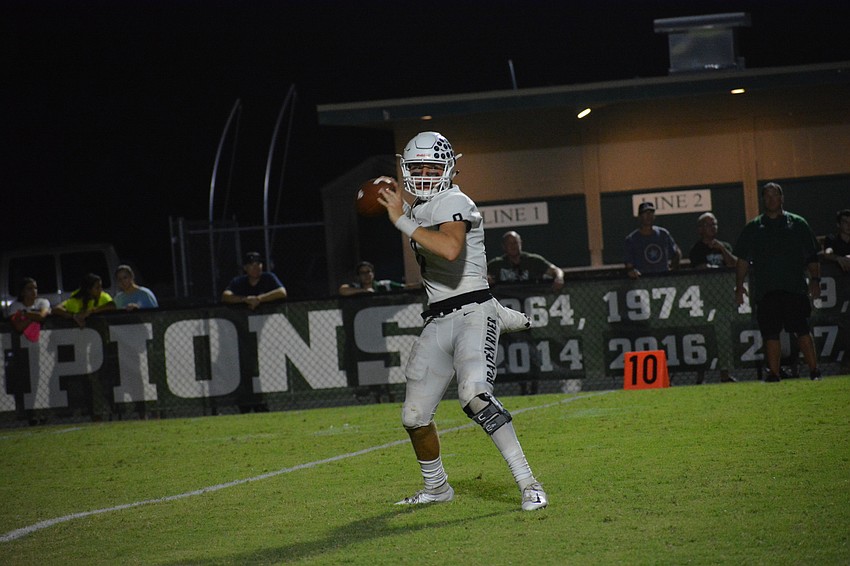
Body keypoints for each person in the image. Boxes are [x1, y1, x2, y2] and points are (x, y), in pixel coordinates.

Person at [375, 131, 547, 511]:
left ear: (449, 168)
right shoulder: (419, 208)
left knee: (474, 396)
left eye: (431, 166)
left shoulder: (454, 199)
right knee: (414, 416)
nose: (423, 173)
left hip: (472, 311)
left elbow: (451, 249)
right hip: (439, 317)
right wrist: (399, 211)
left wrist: (399, 219)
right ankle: (437, 489)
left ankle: (529, 483)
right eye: (416, 166)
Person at [734, 182, 822, 382]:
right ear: (763, 199)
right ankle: (773, 373)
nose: (771, 199)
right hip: (767, 290)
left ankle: (815, 370)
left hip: (795, 288)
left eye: (775, 195)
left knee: (801, 329)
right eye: (767, 196)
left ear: (782, 198)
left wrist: (815, 280)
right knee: (770, 333)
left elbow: (812, 256)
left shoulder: (798, 224)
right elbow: (742, 260)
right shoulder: (754, 227)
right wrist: (739, 287)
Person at [688, 213, 737, 383]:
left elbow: (734, 264)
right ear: (700, 229)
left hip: (725, 299)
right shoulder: (697, 249)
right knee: (705, 337)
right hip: (706, 300)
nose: (713, 228)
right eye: (708, 225)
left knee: (724, 337)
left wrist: (722, 250)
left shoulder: (726, 246)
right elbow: (700, 268)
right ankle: (700, 376)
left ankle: (725, 373)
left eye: (714, 224)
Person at [487, 230, 565, 292]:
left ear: (520, 243)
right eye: (509, 244)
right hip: (507, 303)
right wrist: (486, 278)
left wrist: (559, 278)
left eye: (515, 243)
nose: (513, 246)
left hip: (531, 299)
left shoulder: (533, 260)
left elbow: (556, 270)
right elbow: (481, 275)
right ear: (504, 246)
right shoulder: (496, 264)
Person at [624, 201, 681, 279]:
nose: (649, 215)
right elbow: (629, 265)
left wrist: (672, 269)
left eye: (651, 213)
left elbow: (676, 252)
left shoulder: (663, 234)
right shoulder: (632, 239)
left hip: (663, 279)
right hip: (643, 281)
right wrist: (632, 272)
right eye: (645, 213)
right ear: (640, 216)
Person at [221, 252, 287, 309]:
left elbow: (282, 292)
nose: (256, 268)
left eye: (258, 264)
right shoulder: (238, 281)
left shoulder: (269, 277)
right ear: (245, 267)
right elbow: (225, 296)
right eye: (251, 265)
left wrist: (258, 299)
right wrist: (245, 299)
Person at [8, 277, 51, 342]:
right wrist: (33, 317)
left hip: (42, 340)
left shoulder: (43, 302)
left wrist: (23, 314)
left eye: (35, 288)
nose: (34, 291)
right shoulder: (15, 306)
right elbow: (18, 327)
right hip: (21, 341)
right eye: (29, 288)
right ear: (22, 292)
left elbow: (41, 316)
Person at [338, 261, 406, 296]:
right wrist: (364, 291)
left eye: (368, 272)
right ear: (358, 276)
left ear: (373, 273)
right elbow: (342, 290)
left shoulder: (385, 284)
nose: (366, 275)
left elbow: (405, 287)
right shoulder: (356, 286)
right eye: (362, 273)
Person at [820, 208, 850, 273]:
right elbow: (827, 252)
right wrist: (838, 258)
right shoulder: (832, 238)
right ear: (838, 224)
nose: (849, 225)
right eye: (845, 222)